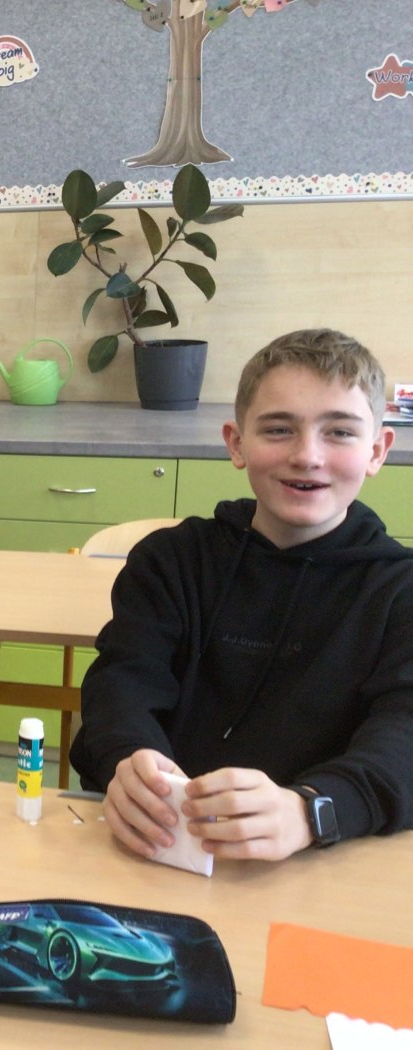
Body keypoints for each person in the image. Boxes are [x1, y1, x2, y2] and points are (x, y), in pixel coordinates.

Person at [70, 328, 413, 862]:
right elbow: (121, 687)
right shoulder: (170, 562)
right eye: (279, 429)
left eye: (340, 432)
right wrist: (129, 760)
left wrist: (310, 811)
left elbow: (403, 737)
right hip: (159, 847)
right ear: (236, 443)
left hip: (321, 861)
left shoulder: (400, 591)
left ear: (376, 451)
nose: (307, 456)